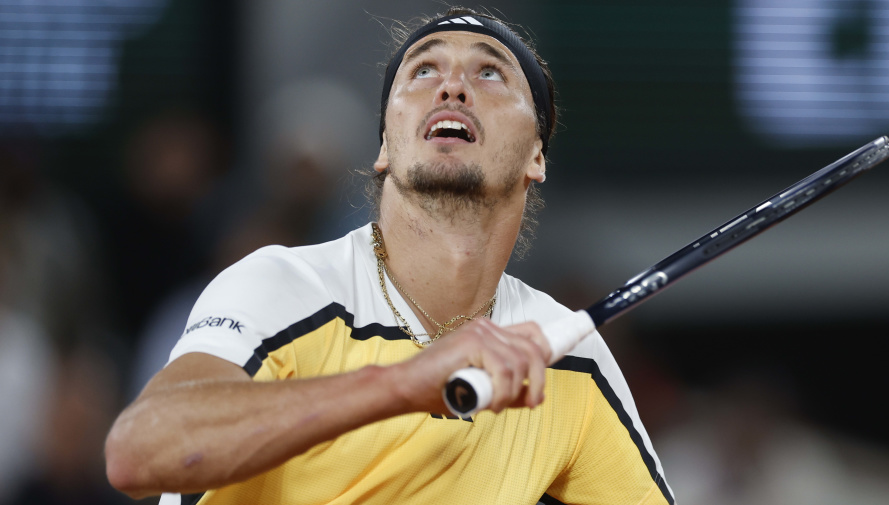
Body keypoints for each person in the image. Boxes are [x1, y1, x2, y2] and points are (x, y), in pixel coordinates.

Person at [104, 7, 675, 505]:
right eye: (424, 70)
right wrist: (404, 384)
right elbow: (138, 452)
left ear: (536, 156)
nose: (451, 87)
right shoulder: (281, 287)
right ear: (384, 145)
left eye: (490, 73)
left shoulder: (564, 354)